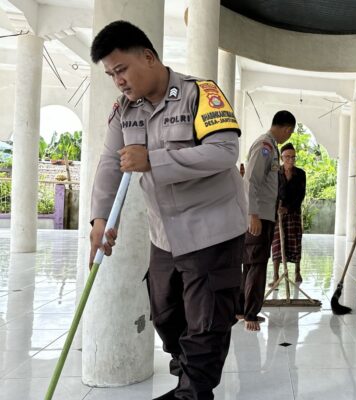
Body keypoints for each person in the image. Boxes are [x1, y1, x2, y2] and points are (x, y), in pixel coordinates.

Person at [88, 21, 246, 400]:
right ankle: (188, 376)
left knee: (206, 322)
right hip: (165, 235)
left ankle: (192, 392)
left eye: (121, 69)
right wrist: (100, 219)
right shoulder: (125, 111)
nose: (118, 81)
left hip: (212, 229)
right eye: (111, 75)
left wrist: (154, 159)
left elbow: (225, 152)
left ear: (148, 56)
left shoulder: (200, 93)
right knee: (166, 315)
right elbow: (112, 162)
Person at [238, 110, 296, 332]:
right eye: (289, 133)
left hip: (263, 213)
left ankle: (242, 309)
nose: (287, 137)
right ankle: (250, 313)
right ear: (287, 129)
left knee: (251, 263)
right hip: (258, 215)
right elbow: (251, 180)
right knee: (257, 264)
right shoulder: (266, 146)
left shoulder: (269, 146)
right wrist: (253, 214)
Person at [270, 142, 306, 285]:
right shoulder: (275, 173)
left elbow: (301, 195)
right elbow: (272, 192)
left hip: (293, 213)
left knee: (295, 243)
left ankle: (297, 271)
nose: (290, 160)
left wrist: (288, 208)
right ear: (281, 158)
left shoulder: (300, 174)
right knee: (277, 244)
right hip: (278, 213)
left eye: (293, 157)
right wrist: (277, 208)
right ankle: (275, 276)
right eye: (287, 157)